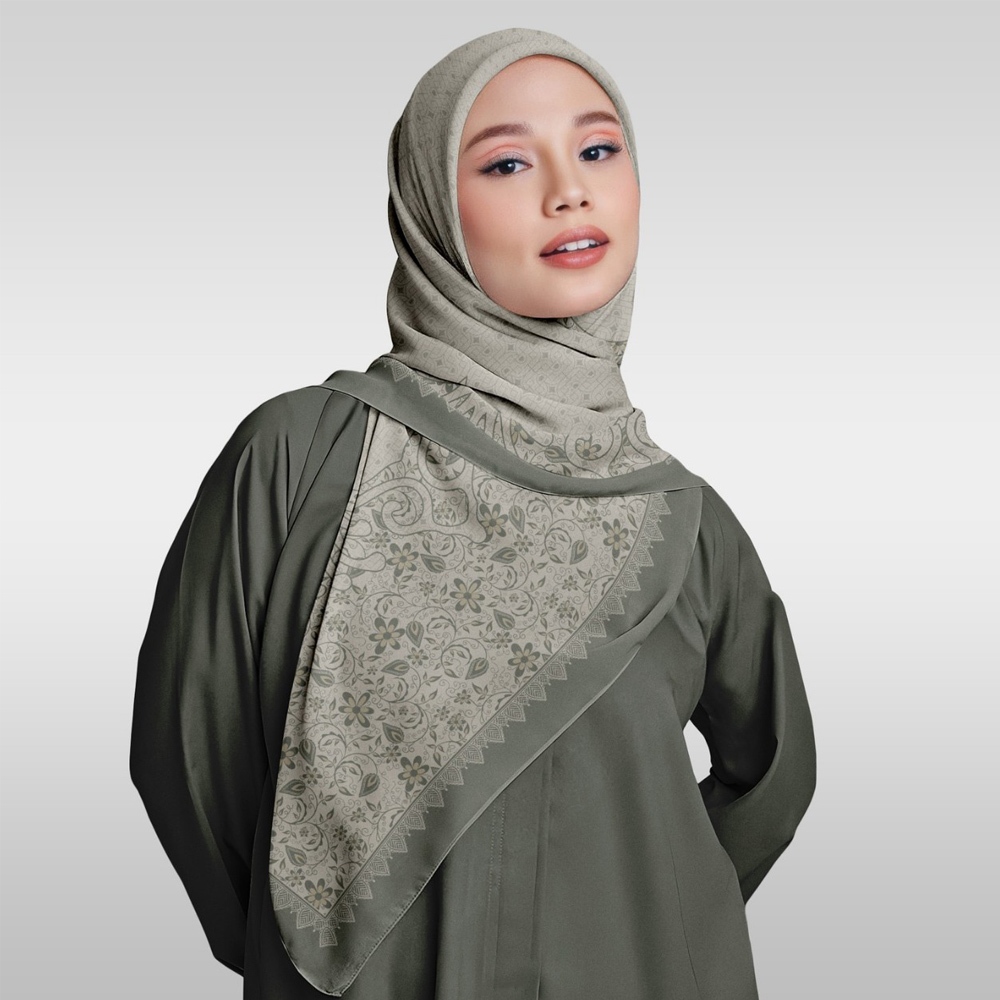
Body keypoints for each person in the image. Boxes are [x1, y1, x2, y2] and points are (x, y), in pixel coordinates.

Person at [130, 27, 817, 1000]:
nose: (569, 191)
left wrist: (647, 918)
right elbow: (191, 765)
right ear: (429, 210)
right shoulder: (300, 456)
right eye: (506, 163)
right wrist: (302, 943)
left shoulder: (683, 519)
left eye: (598, 148)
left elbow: (774, 772)